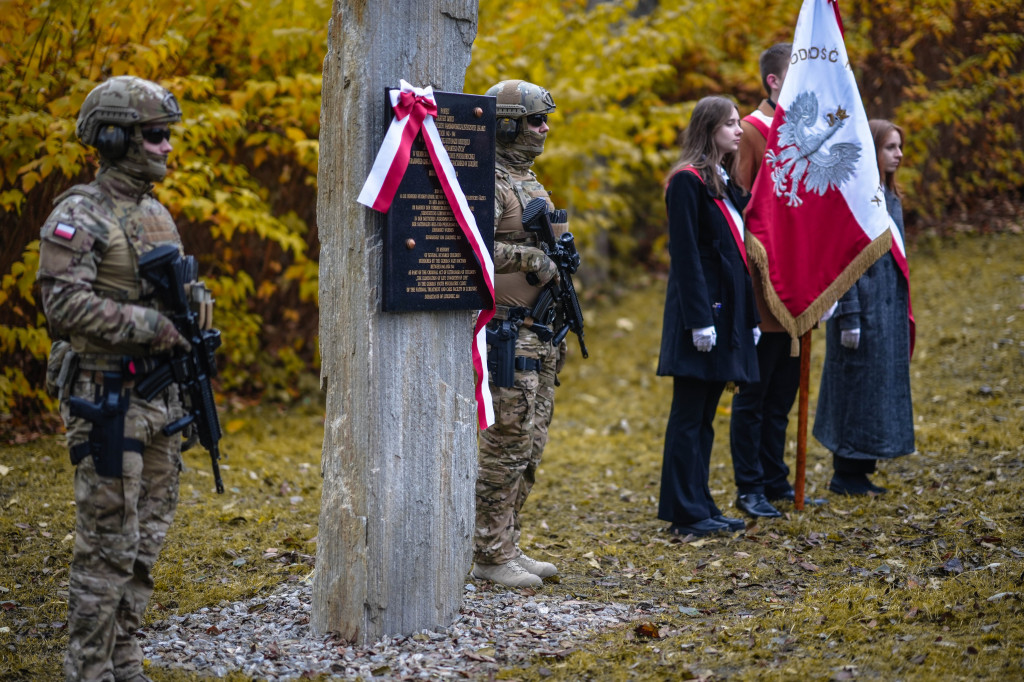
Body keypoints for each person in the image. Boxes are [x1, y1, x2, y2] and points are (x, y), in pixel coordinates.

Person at [37, 76, 197, 682]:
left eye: (166, 136)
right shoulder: (79, 214)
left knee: (146, 541)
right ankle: (88, 670)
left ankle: (124, 658)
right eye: (155, 136)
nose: (166, 147)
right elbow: (63, 307)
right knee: (107, 547)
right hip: (107, 399)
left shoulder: (155, 213)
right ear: (115, 137)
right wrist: (150, 324)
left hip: (161, 400)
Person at [472, 80, 566, 588]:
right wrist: (527, 257)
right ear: (506, 123)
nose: (544, 128)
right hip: (507, 336)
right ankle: (488, 554)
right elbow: (471, 244)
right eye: (535, 120)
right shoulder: (490, 180)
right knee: (506, 443)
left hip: (539, 332)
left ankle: (506, 541)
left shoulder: (527, 179)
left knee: (530, 446)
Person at [656, 96, 760, 537]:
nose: (739, 130)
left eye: (739, 123)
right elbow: (687, 257)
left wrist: (749, 317)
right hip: (701, 320)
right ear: (708, 128)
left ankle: (701, 504)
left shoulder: (720, 181)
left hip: (725, 318)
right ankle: (685, 511)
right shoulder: (687, 181)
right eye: (730, 123)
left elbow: (735, 257)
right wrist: (700, 320)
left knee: (704, 417)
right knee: (689, 414)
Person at [813, 119, 914, 495]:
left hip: (887, 311)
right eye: (890, 147)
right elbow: (845, 262)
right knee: (855, 387)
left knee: (876, 390)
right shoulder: (856, 200)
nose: (899, 155)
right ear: (872, 150)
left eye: (899, 146)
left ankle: (863, 466)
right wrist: (850, 315)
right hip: (862, 312)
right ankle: (847, 472)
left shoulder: (891, 197)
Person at [728, 42, 798, 518]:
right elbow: (739, 207)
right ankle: (750, 486)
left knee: (782, 396)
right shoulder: (753, 133)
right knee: (754, 395)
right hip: (763, 288)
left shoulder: (802, 132)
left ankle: (776, 480)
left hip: (799, 288)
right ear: (773, 81)